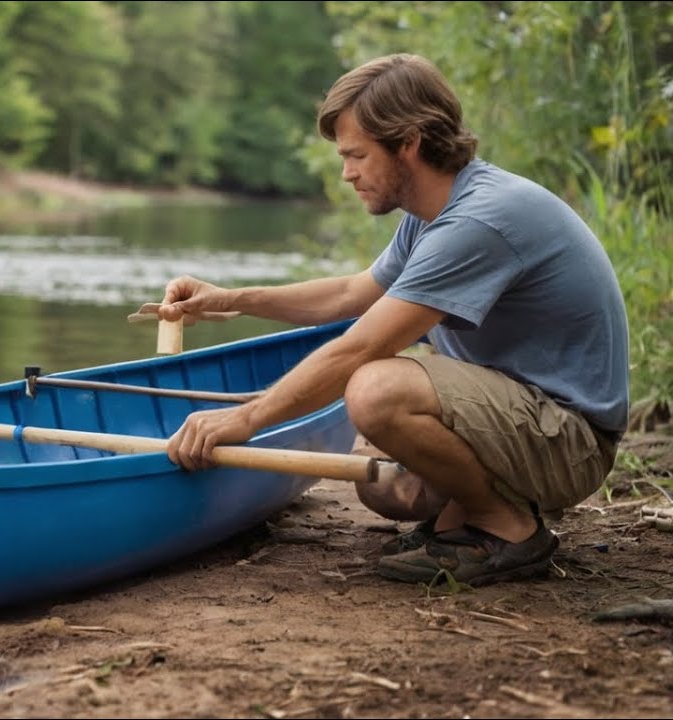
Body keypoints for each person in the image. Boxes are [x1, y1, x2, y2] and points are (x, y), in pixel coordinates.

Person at [146, 53, 629, 587]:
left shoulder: (478, 221)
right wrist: (227, 299)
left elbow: (361, 345)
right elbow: (354, 294)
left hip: (571, 441)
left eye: (356, 155)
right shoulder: (434, 214)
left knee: (375, 389)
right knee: (387, 491)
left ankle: (507, 526)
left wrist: (247, 418)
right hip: (531, 418)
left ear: (409, 143)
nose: (347, 173)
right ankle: (474, 513)